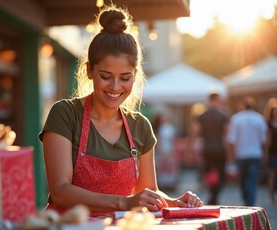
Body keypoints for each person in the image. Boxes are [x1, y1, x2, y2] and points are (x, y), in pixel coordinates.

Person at [38, 5, 203, 218]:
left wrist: (174, 202)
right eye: (106, 76)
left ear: (135, 75)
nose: (115, 87)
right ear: (90, 71)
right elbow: (60, 192)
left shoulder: (140, 125)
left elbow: (148, 190)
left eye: (125, 78)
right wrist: (124, 203)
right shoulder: (65, 114)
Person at [188, 92, 229, 205]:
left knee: (209, 172)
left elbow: (194, 132)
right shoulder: (223, 115)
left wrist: (190, 149)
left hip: (207, 148)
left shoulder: (202, 116)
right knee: (221, 173)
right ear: (216, 100)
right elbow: (227, 135)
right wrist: (229, 152)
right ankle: (215, 195)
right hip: (220, 148)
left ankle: (212, 194)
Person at [227, 96, 268, 206]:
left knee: (243, 181)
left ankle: (247, 201)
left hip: (241, 154)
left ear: (242, 106)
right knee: (252, 180)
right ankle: (250, 202)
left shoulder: (236, 118)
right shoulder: (259, 118)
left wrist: (231, 156)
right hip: (255, 154)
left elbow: (231, 140)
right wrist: (265, 155)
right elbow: (264, 140)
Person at [265, 106, 277, 204]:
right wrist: (265, 154)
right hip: (272, 153)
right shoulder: (269, 125)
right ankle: (272, 196)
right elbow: (267, 141)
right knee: (272, 175)